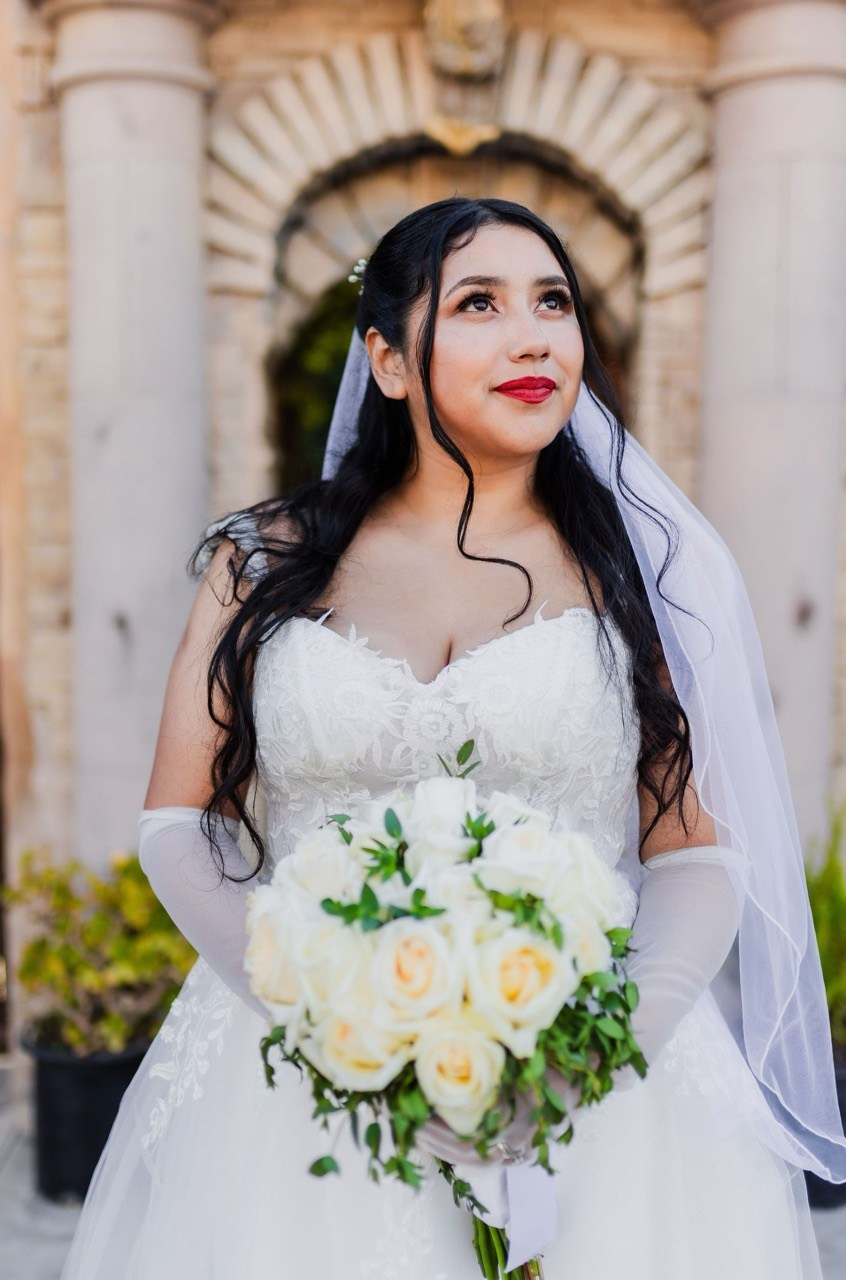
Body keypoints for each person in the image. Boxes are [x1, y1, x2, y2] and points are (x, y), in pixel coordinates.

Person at [59, 196, 841, 1279]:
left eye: (553, 303)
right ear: (387, 359)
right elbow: (176, 823)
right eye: (479, 302)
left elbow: (694, 854)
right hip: (294, 1089)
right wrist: (328, 1020)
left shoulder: (640, 575)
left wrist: (598, 1059)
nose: (533, 337)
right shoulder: (263, 561)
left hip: (595, 1084)